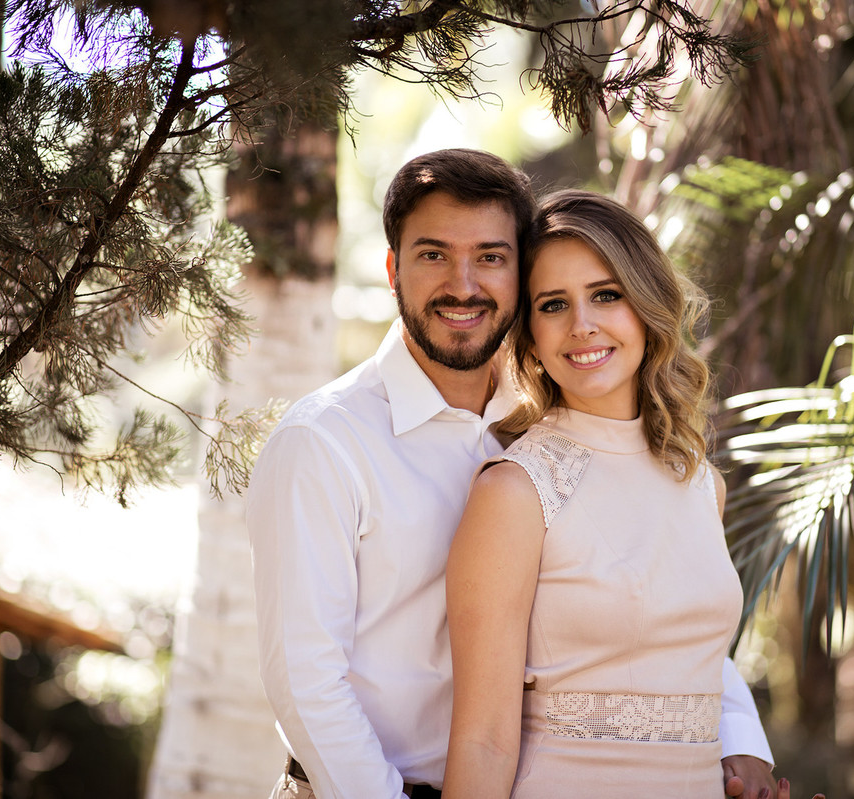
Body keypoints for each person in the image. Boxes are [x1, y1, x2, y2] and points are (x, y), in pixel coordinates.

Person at [246, 150, 777, 799]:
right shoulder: (324, 441)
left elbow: (646, 612)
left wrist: (741, 737)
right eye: (434, 254)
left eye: (491, 257)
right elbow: (306, 680)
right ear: (393, 268)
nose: (463, 284)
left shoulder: (555, 427)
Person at [443, 190, 811, 798]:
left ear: (646, 305)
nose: (582, 324)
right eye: (553, 304)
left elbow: (689, 657)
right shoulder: (515, 490)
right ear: (529, 335)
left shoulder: (700, 484)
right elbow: (482, 739)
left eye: (606, 294)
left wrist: (745, 749)